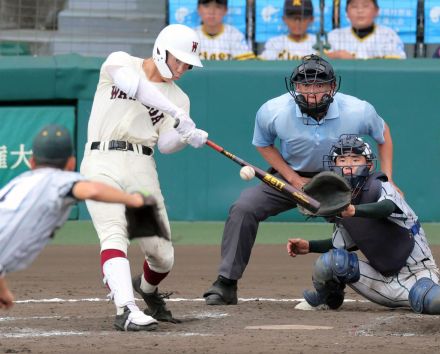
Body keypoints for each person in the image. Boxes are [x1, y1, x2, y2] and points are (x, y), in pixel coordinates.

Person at [203, 54, 397, 305]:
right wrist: (292, 178)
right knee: (244, 207)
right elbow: (263, 144)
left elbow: (384, 134)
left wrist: (389, 179)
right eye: (305, 85)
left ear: (332, 86)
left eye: (319, 85)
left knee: (359, 221)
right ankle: (226, 283)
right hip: (292, 177)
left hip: (342, 182)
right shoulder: (273, 110)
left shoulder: (358, 110)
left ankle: (334, 286)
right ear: (295, 87)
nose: (312, 92)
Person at [80, 24, 208, 330]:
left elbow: (164, 145)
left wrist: (185, 136)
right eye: (179, 60)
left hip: (141, 166)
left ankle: (147, 289)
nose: (183, 68)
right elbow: (136, 86)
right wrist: (176, 115)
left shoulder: (180, 99)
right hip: (101, 159)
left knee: (162, 256)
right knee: (113, 232)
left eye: (188, 64)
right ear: (161, 50)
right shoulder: (120, 61)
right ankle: (125, 308)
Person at [0, 125, 158, 327]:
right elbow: (91, 189)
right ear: (71, 163)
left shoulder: (20, 183)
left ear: (31, 162)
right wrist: (132, 200)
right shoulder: (59, 180)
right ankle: (128, 312)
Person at [287, 135, 440, 314]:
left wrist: (354, 211)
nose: (348, 164)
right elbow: (344, 244)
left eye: (355, 159)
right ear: (333, 166)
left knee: (435, 302)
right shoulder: (341, 201)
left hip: (417, 275)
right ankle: (327, 299)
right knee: (331, 262)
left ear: (369, 165)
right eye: (342, 159)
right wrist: (310, 246)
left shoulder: (380, 185)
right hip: (380, 281)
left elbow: (386, 207)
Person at [326, 0, 406, 59]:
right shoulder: (335, 36)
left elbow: (398, 61)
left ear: (376, 11)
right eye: (354, 6)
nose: (360, 11)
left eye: (365, 6)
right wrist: (336, 55)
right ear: (347, 12)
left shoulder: (388, 35)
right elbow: (317, 61)